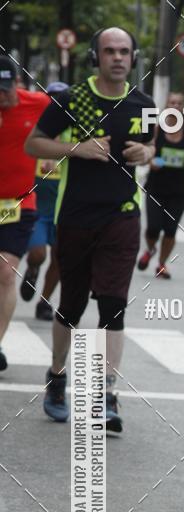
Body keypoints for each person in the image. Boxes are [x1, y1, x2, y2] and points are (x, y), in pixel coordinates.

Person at [25, 26, 155, 431]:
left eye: (124, 51)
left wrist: (146, 152)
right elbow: (34, 144)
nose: (117, 57)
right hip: (77, 215)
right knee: (72, 305)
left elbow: (151, 146)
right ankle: (57, 376)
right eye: (109, 51)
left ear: (133, 58)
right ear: (95, 57)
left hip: (122, 215)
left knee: (113, 305)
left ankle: (107, 395)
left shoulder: (144, 103)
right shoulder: (70, 99)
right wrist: (76, 148)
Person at [0, 55, 50, 370]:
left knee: (5, 272)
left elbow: (68, 125)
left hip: (18, 204)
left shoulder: (39, 104)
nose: (1, 96)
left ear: (17, 84)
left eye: (4, 89)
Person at [20, 81, 68, 322]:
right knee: (38, 253)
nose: (56, 103)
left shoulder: (73, 133)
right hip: (38, 208)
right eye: (52, 98)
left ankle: (45, 302)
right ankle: (32, 269)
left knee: (60, 259)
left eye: (61, 99)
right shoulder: (35, 132)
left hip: (64, 207)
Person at [137, 91, 184, 279]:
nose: (176, 106)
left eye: (180, 103)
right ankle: (150, 249)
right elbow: (145, 152)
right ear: (166, 106)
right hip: (156, 186)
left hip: (179, 189)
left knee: (170, 230)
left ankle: (162, 264)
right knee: (153, 228)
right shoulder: (156, 130)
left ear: (183, 108)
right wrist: (150, 162)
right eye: (172, 102)